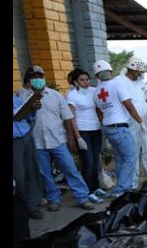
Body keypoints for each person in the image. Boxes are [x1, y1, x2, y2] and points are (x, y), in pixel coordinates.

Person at [24, 65, 98, 211]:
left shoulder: (55, 95)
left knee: (70, 169)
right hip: (37, 142)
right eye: (34, 77)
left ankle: (82, 197)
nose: (38, 80)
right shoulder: (23, 96)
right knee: (44, 173)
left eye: (40, 76)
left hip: (58, 140)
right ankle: (53, 199)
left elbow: (68, 117)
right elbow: (20, 119)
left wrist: (71, 137)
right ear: (29, 80)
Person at [92, 59, 141, 198]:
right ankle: (121, 190)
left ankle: (121, 187)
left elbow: (99, 112)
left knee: (120, 159)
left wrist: (105, 123)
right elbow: (129, 105)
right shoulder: (117, 84)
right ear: (111, 71)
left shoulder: (97, 91)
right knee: (131, 158)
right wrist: (140, 121)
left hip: (108, 127)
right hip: (120, 127)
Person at [116, 57, 147, 186]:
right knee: (132, 152)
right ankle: (132, 183)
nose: (139, 73)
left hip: (146, 120)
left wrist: (146, 102)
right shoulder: (119, 82)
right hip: (130, 121)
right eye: (137, 71)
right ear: (131, 69)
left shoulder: (140, 83)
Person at [66, 68, 106, 196]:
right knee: (87, 162)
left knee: (95, 161)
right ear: (76, 82)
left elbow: (99, 110)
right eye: (82, 80)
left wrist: (104, 124)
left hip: (96, 130)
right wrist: (77, 137)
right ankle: (87, 191)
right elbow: (71, 117)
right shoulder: (72, 95)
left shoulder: (93, 91)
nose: (86, 82)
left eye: (87, 79)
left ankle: (96, 188)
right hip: (82, 131)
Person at [13, 88, 45, 219]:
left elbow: (27, 117)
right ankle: (21, 208)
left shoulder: (16, 98)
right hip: (14, 141)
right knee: (18, 177)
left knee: (32, 171)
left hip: (26, 135)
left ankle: (33, 206)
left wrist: (33, 108)